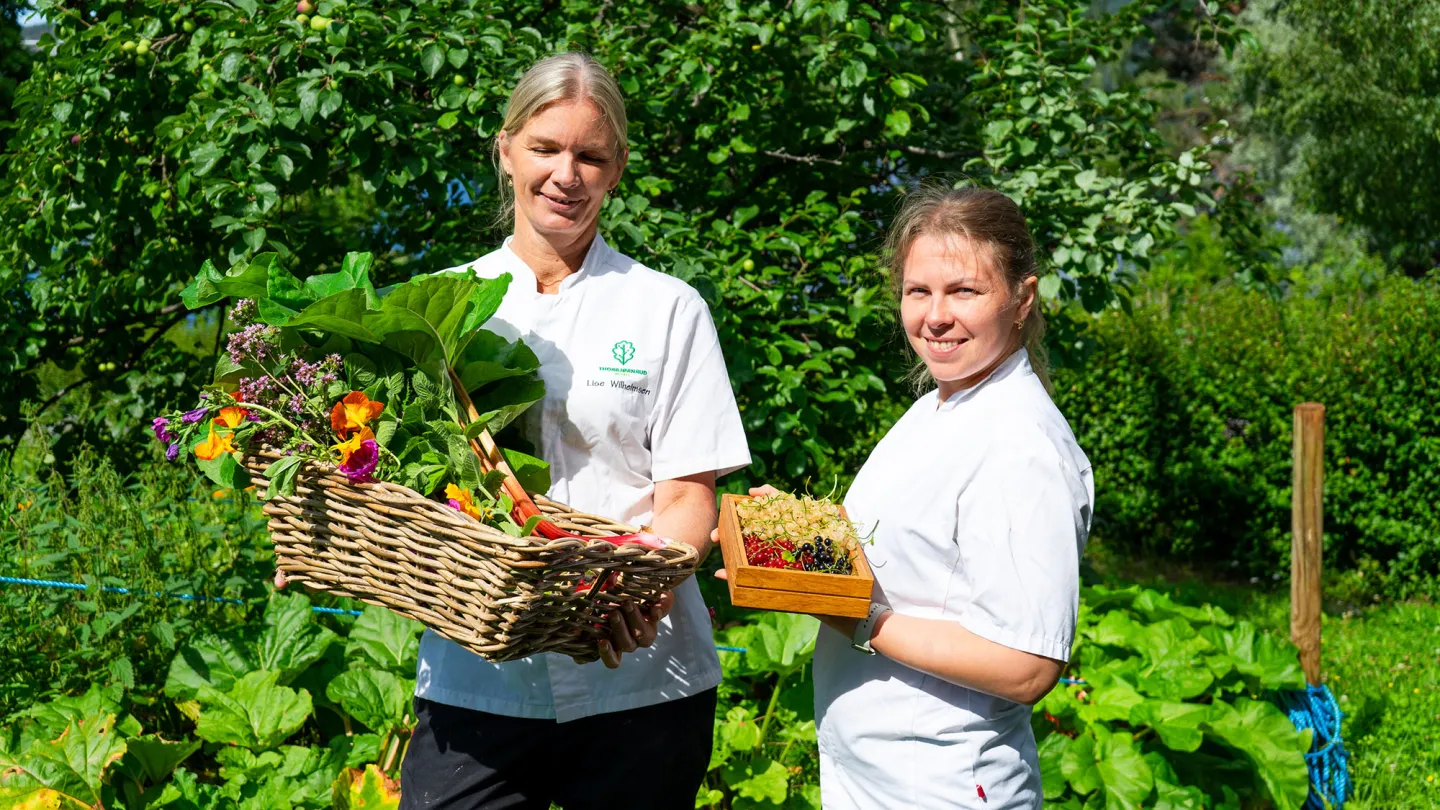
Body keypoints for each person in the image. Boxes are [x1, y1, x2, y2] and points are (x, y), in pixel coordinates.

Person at [399, 53, 751, 810]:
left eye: (590, 155)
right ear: (505, 150)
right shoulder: (442, 306)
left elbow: (689, 495)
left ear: (616, 167)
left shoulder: (666, 307)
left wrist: (647, 591)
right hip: (478, 676)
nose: (567, 174)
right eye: (546, 149)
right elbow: (398, 485)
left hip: (642, 677)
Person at [722, 185, 1092, 809]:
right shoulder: (938, 406)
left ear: (1022, 298)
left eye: (964, 291)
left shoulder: (1022, 446)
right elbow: (914, 557)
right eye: (919, 291)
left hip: (942, 784)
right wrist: (802, 536)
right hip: (880, 776)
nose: (935, 316)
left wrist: (859, 617)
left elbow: (1026, 667)